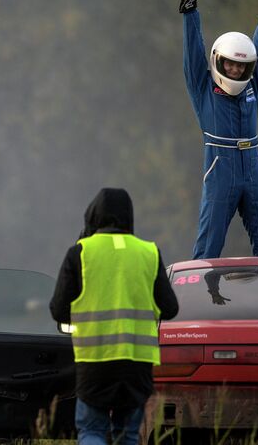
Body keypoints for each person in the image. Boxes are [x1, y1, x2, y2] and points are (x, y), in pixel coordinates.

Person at [49, 188, 179, 445]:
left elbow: (58, 310)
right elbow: (170, 308)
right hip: (137, 364)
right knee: (127, 435)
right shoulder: (148, 252)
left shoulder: (80, 253)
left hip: (95, 362)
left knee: (92, 431)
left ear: (93, 216)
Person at [179, 0, 258, 260]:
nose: (236, 71)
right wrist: (190, 7)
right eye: (231, 65)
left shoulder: (253, 84)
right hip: (220, 167)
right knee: (208, 246)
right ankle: (196, 302)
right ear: (219, 62)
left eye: (241, 66)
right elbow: (192, 50)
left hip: (253, 165)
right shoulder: (203, 86)